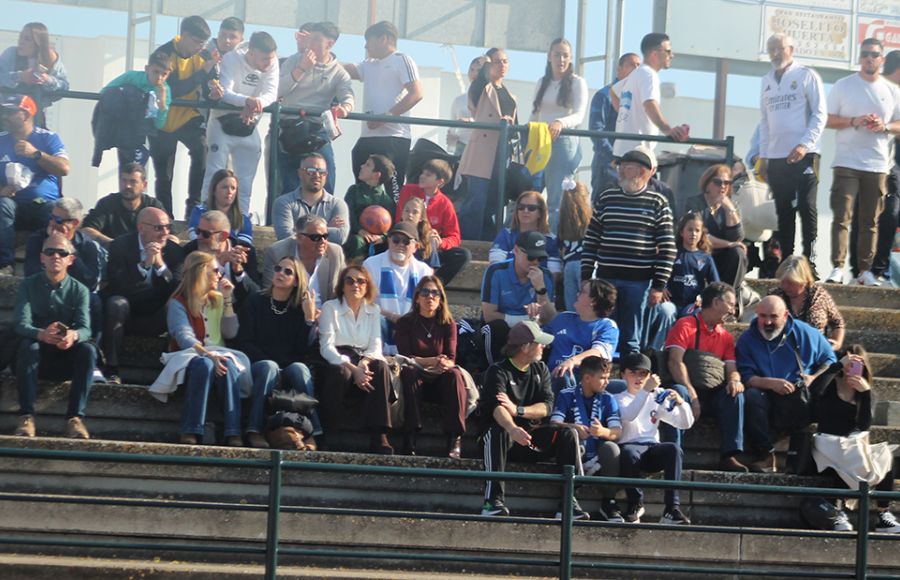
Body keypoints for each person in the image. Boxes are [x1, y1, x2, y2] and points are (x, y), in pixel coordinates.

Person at [478, 320, 587, 519]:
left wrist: (518, 410)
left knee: (568, 434)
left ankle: (568, 501)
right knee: (497, 432)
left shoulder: (541, 369)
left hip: (531, 437)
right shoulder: (498, 371)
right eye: (539, 343)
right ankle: (492, 501)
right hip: (505, 440)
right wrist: (512, 428)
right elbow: (497, 409)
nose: (544, 347)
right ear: (525, 346)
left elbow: (546, 407)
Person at [581, 146, 676, 355]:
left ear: (643, 172)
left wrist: (659, 286)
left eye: (627, 168)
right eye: (620, 167)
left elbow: (668, 248)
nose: (621, 172)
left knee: (631, 339)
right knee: (603, 333)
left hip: (639, 283)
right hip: (606, 279)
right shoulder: (606, 198)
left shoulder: (658, 203)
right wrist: (586, 276)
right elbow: (591, 241)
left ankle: (628, 381)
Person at [824, 38, 900, 286]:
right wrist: (853, 121)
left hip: (877, 164)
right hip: (846, 161)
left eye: (874, 54)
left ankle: (865, 271)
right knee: (842, 217)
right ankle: (837, 267)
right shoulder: (843, 85)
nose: (870, 58)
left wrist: (885, 126)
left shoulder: (892, 91)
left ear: (881, 60)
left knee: (870, 221)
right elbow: (826, 119)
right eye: (866, 54)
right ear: (860, 57)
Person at [736, 295, 837, 473]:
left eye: (773, 316)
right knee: (750, 396)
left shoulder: (804, 332)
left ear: (785, 315)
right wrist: (770, 383)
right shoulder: (747, 340)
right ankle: (766, 455)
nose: (767, 322)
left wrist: (813, 377)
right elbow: (746, 376)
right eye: (762, 316)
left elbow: (830, 360)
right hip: (766, 397)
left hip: (799, 399)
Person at [12, 233, 97, 439]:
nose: (55, 256)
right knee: (27, 345)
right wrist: (41, 334)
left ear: (71, 259)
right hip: (34, 356)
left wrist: (72, 335)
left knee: (88, 350)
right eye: (50, 252)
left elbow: (86, 328)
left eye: (62, 252)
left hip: (63, 357)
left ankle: (75, 418)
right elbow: (20, 324)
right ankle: (26, 417)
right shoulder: (28, 285)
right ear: (42, 257)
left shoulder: (80, 290)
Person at [808, 345, 900, 533]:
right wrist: (836, 367)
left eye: (858, 366)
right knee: (846, 456)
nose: (852, 370)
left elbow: (864, 426)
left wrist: (865, 394)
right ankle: (838, 512)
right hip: (827, 442)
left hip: (853, 444)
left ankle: (884, 514)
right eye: (849, 365)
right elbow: (814, 390)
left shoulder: (864, 392)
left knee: (884, 456)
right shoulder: (830, 385)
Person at [758, 33, 827, 267]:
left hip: (805, 154)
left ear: (791, 49)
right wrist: (764, 156)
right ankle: (787, 261)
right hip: (776, 157)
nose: (776, 53)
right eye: (771, 49)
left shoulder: (806, 75)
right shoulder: (766, 80)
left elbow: (820, 114)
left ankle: (811, 261)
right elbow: (765, 121)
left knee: (807, 207)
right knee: (784, 211)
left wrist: (804, 144)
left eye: (780, 48)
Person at [237, 256, 320, 450]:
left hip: (289, 364)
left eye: (287, 271)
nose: (280, 274)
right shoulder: (256, 300)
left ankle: (311, 433)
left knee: (300, 370)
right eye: (278, 269)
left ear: (297, 280)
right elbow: (245, 341)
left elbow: (303, 351)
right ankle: (254, 430)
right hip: (259, 362)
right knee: (269, 367)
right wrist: (273, 362)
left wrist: (309, 320)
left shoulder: (300, 308)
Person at [665, 282, 748, 472]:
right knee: (678, 393)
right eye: (731, 304)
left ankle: (729, 455)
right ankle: (674, 454)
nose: (733, 311)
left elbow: (731, 367)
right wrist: (693, 396)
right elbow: (674, 362)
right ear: (717, 302)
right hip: (687, 386)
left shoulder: (725, 336)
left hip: (712, 392)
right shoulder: (685, 325)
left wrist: (735, 380)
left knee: (735, 396)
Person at [166, 252, 243, 446]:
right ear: (201, 273)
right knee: (204, 365)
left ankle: (233, 431)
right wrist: (209, 355)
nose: (220, 275)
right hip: (188, 356)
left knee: (228, 366)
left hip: (220, 353)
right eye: (216, 270)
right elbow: (184, 339)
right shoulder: (178, 302)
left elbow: (231, 333)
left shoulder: (217, 299)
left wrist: (227, 300)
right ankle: (191, 429)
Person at [101, 207, 185, 385]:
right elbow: (117, 284)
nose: (165, 233)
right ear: (141, 228)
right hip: (127, 311)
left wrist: (160, 264)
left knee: (176, 304)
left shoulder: (174, 251)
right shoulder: (120, 246)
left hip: (157, 314)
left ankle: (169, 369)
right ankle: (112, 368)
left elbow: (176, 287)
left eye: (168, 227)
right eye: (158, 228)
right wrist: (144, 266)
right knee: (115, 303)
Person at [317, 265, 394, 454]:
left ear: (367, 286)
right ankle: (327, 432)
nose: (355, 285)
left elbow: (376, 344)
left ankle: (379, 435)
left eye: (361, 281)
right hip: (339, 358)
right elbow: (327, 348)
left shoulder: (373, 310)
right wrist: (353, 369)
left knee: (382, 367)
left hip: (363, 358)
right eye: (349, 280)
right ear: (342, 286)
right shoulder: (330, 307)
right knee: (340, 372)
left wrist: (363, 364)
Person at [612, 352, 693, 525]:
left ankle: (672, 508)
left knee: (673, 449)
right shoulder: (617, 399)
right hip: (630, 450)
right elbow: (629, 415)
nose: (639, 378)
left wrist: (681, 403)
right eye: (633, 372)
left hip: (652, 449)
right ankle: (635, 502)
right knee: (628, 451)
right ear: (622, 374)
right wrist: (646, 391)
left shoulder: (656, 397)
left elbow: (685, 423)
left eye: (643, 373)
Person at [345, 20, 423, 198]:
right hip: (367, 137)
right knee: (362, 188)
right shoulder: (369, 64)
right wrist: (324, 58)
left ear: (383, 39)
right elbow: (347, 70)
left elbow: (416, 93)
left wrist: (385, 117)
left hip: (393, 138)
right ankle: (361, 223)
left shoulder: (401, 60)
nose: (366, 46)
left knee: (390, 191)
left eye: (369, 40)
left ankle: (392, 225)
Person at [203, 31, 278, 215]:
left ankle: (242, 219)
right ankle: (207, 216)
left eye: (271, 58)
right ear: (251, 53)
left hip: (249, 125)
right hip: (222, 124)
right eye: (264, 59)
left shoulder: (272, 63)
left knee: (245, 180)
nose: (268, 64)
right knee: (214, 172)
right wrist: (247, 101)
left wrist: (254, 103)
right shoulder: (231, 59)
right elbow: (225, 92)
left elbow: (270, 94)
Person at [149, 15, 217, 217]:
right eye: (197, 42)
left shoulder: (204, 56)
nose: (199, 47)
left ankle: (193, 207)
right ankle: (166, 218)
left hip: (188, 117)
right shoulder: (163, 53)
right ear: (184, 35)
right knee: (164, 176)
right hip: (162, 121)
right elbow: (173, 89)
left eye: (203, 43)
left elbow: (209, 85)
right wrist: (202, 73)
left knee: (201, 149)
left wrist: (214, 91)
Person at [394, 276, 467, 458]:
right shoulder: (405, 322)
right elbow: (406, 356)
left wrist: (442, 363)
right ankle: (410, 435)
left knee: (455, 374)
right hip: (415, 376)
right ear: (417, 297)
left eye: (435, 293)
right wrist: (432, 360)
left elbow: (451, 357)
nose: (430, 297)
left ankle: (454, 438)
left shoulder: (448, 324)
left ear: (441, 299)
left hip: (439, 379)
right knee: (408, 371)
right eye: (425, 292)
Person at [278, 20, 354, 196]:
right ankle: (289, 219)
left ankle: (324, 218)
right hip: (288, 126)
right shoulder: (294, 60)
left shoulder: (339, 72)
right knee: (287, 180)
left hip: (317, 128)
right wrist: (301, 69)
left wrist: (345, 107)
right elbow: (278, 90)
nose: (310, 44)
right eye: (309, 39)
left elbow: (347, 95)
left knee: (326, 172)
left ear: (330, 43)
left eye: (316, 39)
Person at [0, 94, 69, 276]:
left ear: (26, 114)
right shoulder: (1, 139)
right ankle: (5, 265)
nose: (4, 116)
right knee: (3, 205)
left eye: (10, 112)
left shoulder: (48, 138)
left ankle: (44, 270)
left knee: (55, 212)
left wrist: (36, 154)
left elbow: (64, 168)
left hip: (43, 204)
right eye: (4, 111)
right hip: (13, 205)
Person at [24, 199, 106, 351]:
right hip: (43, 290)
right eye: (52, 217)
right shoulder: (37, 239)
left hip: (74, 295)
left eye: (59, 220)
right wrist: (50, 245)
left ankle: (93, 350)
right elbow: (31, 273)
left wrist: (68, 249)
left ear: (74, 224)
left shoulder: (88, 245)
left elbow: (91, 282)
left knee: (94, 300)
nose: (53, 223)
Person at [550, 355, 623, 521]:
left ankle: (609, 502)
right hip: (575, 451)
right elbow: (554, 424)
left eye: (608, 377)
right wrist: (573, 427)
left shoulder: (608, 399)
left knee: (612, 448)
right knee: (569, 436)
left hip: (598, 456)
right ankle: (567, 500)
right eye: (602, 378)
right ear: (587, 378)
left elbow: (617, 432)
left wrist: (602, 432)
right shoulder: (566, 395)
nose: (607, 382)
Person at [849, 50, 900, 282]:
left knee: (890, 213)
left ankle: (880, 270)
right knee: (863, 215)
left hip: (892, 164)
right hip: (865, 161)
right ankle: (859, 270)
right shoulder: (870, 90)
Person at [456, 48, 516, 241]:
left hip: (502, 151)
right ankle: (469, 242)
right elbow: (477, 89)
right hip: (483, 149)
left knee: (494, 202)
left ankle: (488, 241)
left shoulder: (509, 94)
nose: (502, 65)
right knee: (477, 200)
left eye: (505, 61)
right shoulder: (481, 87)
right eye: (497, 61)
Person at [530, 38, 588, 230]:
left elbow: (579, 115)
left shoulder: (577, 83)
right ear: (549, 57)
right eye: (557, 54)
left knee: (556, 198)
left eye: (565, 55)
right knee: (530, 193)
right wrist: (526, 132)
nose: (561, 59)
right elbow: (535, 113)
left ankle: (555, 243)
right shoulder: (542, 82)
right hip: (540, 141)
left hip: (563, 142)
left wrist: (560, 123)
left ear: (570, 58)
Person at [480, 231, 557, 364]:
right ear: (516, 251)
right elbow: (489, 315)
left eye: (540, 258)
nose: (535, 262)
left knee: (550, 336)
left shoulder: (545, 276)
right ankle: (492, 371)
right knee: (496, 328)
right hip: (504, 329)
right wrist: (527, 320)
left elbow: (549, 318)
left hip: (531, 330)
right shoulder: (496, 271)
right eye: (531, 257)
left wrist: (541, 290)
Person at [611, 33, 689, 157]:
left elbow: (613, 91)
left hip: (624, 151)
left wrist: (626, 114)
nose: (671, 55)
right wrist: (668, 130)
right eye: (668, 51)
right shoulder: (649, 75)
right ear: (654, 54)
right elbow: (649, 104)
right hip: (637, 152)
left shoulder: (637, 73)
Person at [395, 158, 470, 285]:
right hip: (408, 241)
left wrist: (441, 242)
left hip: (431, 248)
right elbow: (400, 219)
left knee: (463, 255)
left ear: (440, 182)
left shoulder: (445, 203)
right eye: (423, 173)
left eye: (428, 175)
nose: (422, 176)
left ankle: (434, 285)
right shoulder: (408, 190)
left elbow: (454, 236)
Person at [363, 221, 433, 354]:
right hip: (381, 321)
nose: (400, 245)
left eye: (406, 242)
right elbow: (364, 302)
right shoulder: (371, 265)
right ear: (389, 241)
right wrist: (391, 316)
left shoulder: (425, 271)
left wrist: (406, 320)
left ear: (416, 246)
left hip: (412, 322)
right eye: (396, 240)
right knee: (376, 319)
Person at [98, 49, 172, 168]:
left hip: (139, 135)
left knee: (134, 170)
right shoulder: (132, 77)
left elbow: (159, 125)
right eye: (156, 72)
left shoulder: (165, 90)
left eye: (164, 74)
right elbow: (105, 92)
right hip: (121, 125)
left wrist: (162, 105)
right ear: (147, 69)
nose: (159, 78)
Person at [542, 278, 619, 392]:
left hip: (583, 381)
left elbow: (599, 352)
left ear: (594, 301)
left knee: (565, 375)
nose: (577, 294)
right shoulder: (563, 318)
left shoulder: (606, 326)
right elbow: (540, 338)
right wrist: (534, 319)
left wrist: (572, 361)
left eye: (582, 292)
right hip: (552, 376)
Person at [682, 164, 747, 293]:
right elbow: (699, 237)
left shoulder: (732, 205)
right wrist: (728, 244)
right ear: (707, 184)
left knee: (738, 253)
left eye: (727, 182)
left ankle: (730, 296)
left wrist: (730, 211)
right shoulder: (695, 203)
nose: (723, 186)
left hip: (722, 256)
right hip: (701, 254)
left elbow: (738, 238)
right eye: (718, 182)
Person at [182, 210, 259, 310]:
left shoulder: (244, 250)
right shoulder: (191, 250)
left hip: (236, 314)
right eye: (198, 231)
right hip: (202, 310)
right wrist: (219, 265)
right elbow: (186, 288)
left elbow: (256, 294)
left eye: (206, 234)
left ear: (223, 236)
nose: (199, 237)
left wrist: (238, 272)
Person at [263, 215, 345, 306]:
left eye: (325, 236)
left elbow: (345, 289)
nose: (323, 241)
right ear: (299, 238)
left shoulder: (335, 253)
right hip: (289, 313)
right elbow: (269, 292)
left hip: (326, 314)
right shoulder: (278, 252)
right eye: (315, 237)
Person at [80, 163, 167, 247]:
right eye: (124, 180)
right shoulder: (107, 203)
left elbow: (171, 234)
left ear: (144, 185)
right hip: (112, 255)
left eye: (133, 181)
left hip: (147, 253)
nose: (127, 186)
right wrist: (116, 245)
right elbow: (87, 230)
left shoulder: (154, 206)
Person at [769, 255, 845, 351]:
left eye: (790, 282)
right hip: (781, 351)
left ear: (802, 280)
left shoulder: (819, 296)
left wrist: (836, 343)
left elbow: (837, 322)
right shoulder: (775, 296)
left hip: (816, 351)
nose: (785, 286)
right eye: (783, 281)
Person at [589, 53, 640, 194]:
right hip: (608, 167)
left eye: (639, 66)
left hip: (632, 167)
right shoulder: (604, 96)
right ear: (619, 69)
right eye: (631, 65)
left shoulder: (638, 100)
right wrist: (614, 157)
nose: (636, 69)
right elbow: (596, 131)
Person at [0, 22, 69, 127]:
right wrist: (19, 76)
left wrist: (47, 80)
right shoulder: (11, 53)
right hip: (6, 114)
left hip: (35, 117)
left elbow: (64, 88)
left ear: (39, 43)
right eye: (21, 37)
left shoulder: (51, 59)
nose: (21, 42)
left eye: (27, 39)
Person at [271, 152, 349, 243]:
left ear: (326, 175)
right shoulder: (283, 203)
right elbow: (286, 236)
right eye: (311, 171)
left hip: (325, 256)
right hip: (293, 256)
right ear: (300, 173)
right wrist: (325, 227)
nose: (317, 175)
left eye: (321, 172)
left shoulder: (337, 204)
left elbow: (340, 237)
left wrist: (299, 231)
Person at [489, 190, 562, 276]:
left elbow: (553, 274)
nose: (525, 211)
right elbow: (496, 265)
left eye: (531, 208)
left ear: (540, 213)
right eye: (521, 207)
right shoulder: (506, 235)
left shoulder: (551, 240)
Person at [343, 154, 396, 262]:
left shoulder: (387, 201)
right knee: (357, 242)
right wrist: (360, 230)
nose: (362, 166)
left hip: (377, 240)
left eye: (367, 165)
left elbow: (392, 226)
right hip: (355, 236)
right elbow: (348, 214)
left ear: (376, 175)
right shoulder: (354, 191)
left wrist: (382, 238)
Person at [666, 212, 720, 316]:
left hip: (692, 305)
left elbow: (715, 285)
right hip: (671, 303)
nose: (693, 233)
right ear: (682, 232)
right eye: (690, 230)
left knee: (697, 314)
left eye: (697, 230)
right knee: (664, 311)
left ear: (701, 234)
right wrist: (662, 288)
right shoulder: (672, 253)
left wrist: (705, 298)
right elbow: (659, 273)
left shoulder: (706, 258)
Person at [188, 169, 253, 244]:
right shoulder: (199, 211)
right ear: (213, 190)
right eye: (225, 187)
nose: (229, 192)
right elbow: (196, 238)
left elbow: (244, 246)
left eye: (233, 188)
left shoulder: (243, 219)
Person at [557, 180, 592, 311]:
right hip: (585, 265)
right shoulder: (590, 219)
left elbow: (560, 249)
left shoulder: (562, 223)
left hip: (568, 266)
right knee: (588, 307)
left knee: (572, 308)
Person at [446, 56, 484, 156]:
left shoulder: (490, 99)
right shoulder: (459, 100)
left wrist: (470, 121)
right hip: (461, 146)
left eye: (479, 70)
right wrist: (451, 142)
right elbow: (452, 127)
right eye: (471, 69)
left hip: (481, 146)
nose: (474, 73)